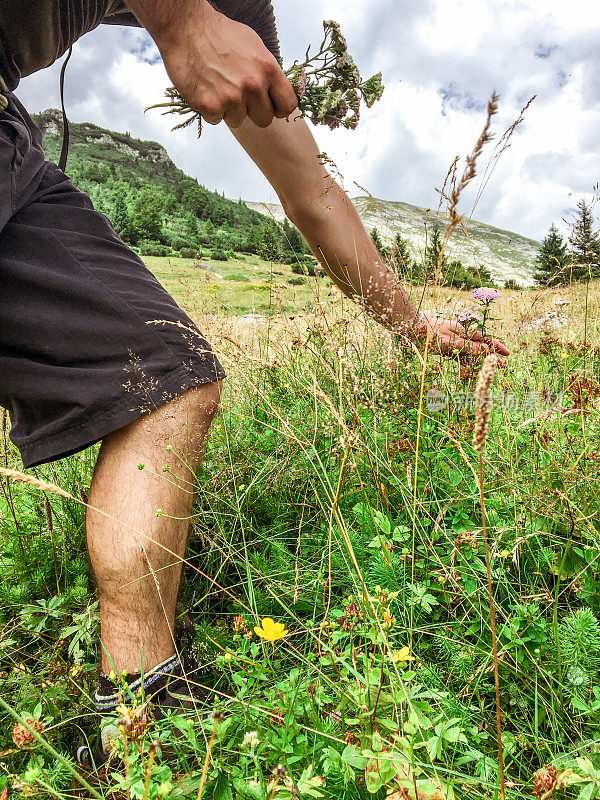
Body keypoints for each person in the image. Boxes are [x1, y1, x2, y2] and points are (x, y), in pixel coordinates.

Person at [0, 0, 509, 765]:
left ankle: (142, 716)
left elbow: (312, 193)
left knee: (166, 375)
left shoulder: (237, 11)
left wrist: (413, 327)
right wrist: (177, 24)